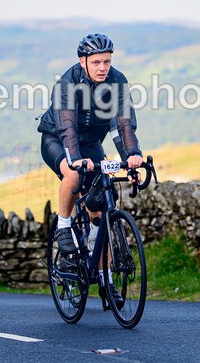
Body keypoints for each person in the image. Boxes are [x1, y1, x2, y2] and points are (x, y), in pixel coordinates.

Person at [37, 33, 143, 307]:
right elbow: (66, 128)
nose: (102, 67)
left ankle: (105, 279)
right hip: (58, 140)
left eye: (106, 61)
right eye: (96, 62)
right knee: (73, 174)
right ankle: (63, 226)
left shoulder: (117, 81)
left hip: (92, 143)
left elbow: (123, 125)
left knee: (102, 215)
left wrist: (132, 156)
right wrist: (74, 159)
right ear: (82, 61)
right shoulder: (67, 83)